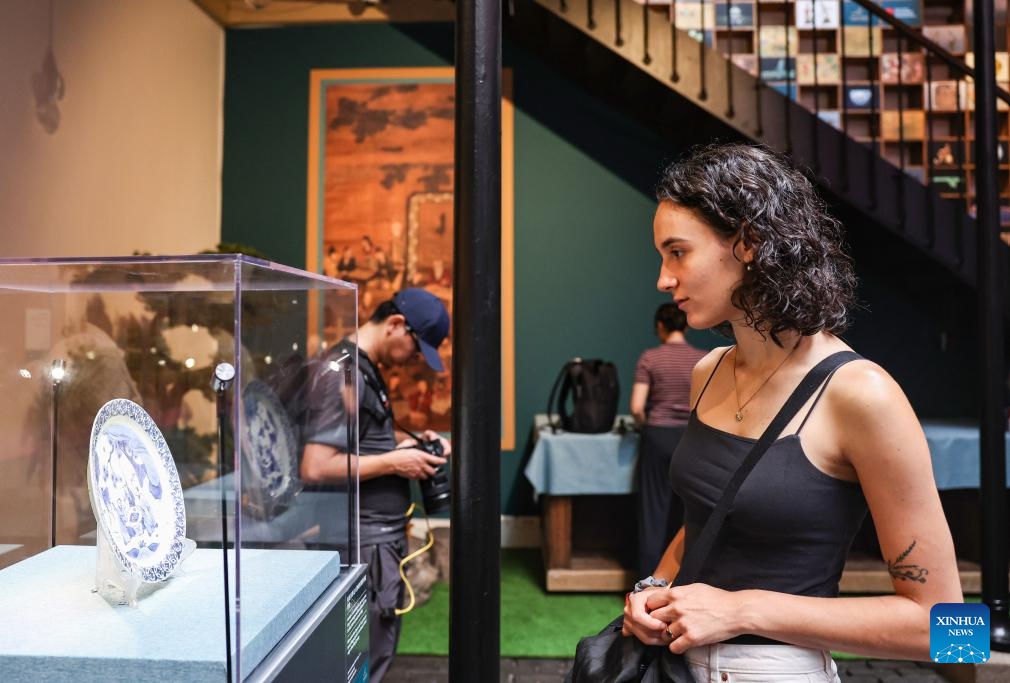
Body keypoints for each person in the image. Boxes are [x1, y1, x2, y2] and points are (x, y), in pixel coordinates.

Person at [622, 143, 961, 681]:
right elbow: (712, 515)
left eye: (678, 252)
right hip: (676, 666)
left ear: (749, 243)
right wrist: (654, 589)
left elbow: (949, 631)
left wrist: (741, 609)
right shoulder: (706, 371)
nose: (664, 279)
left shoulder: (860, 392)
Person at [300, 287, 451, 682]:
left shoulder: (365, 369)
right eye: (417, 349)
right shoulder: (343, 372)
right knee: (360, 660)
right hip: (362, 541)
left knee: (375, 653)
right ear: (396, 325)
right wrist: (394, 462)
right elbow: (315, 466)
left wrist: (413, 444)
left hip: (377, 540)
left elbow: (363, 443)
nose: (415, 359)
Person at [630, 302, 706, 577]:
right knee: (690, 512)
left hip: (657, 435)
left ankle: (646, 584)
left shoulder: (650, 358)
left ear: (660, 326)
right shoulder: (703, 360)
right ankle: (682, 581)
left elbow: (637, 407)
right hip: (692, 439)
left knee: (652, 511)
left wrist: (644, 426)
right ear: (685, 324)